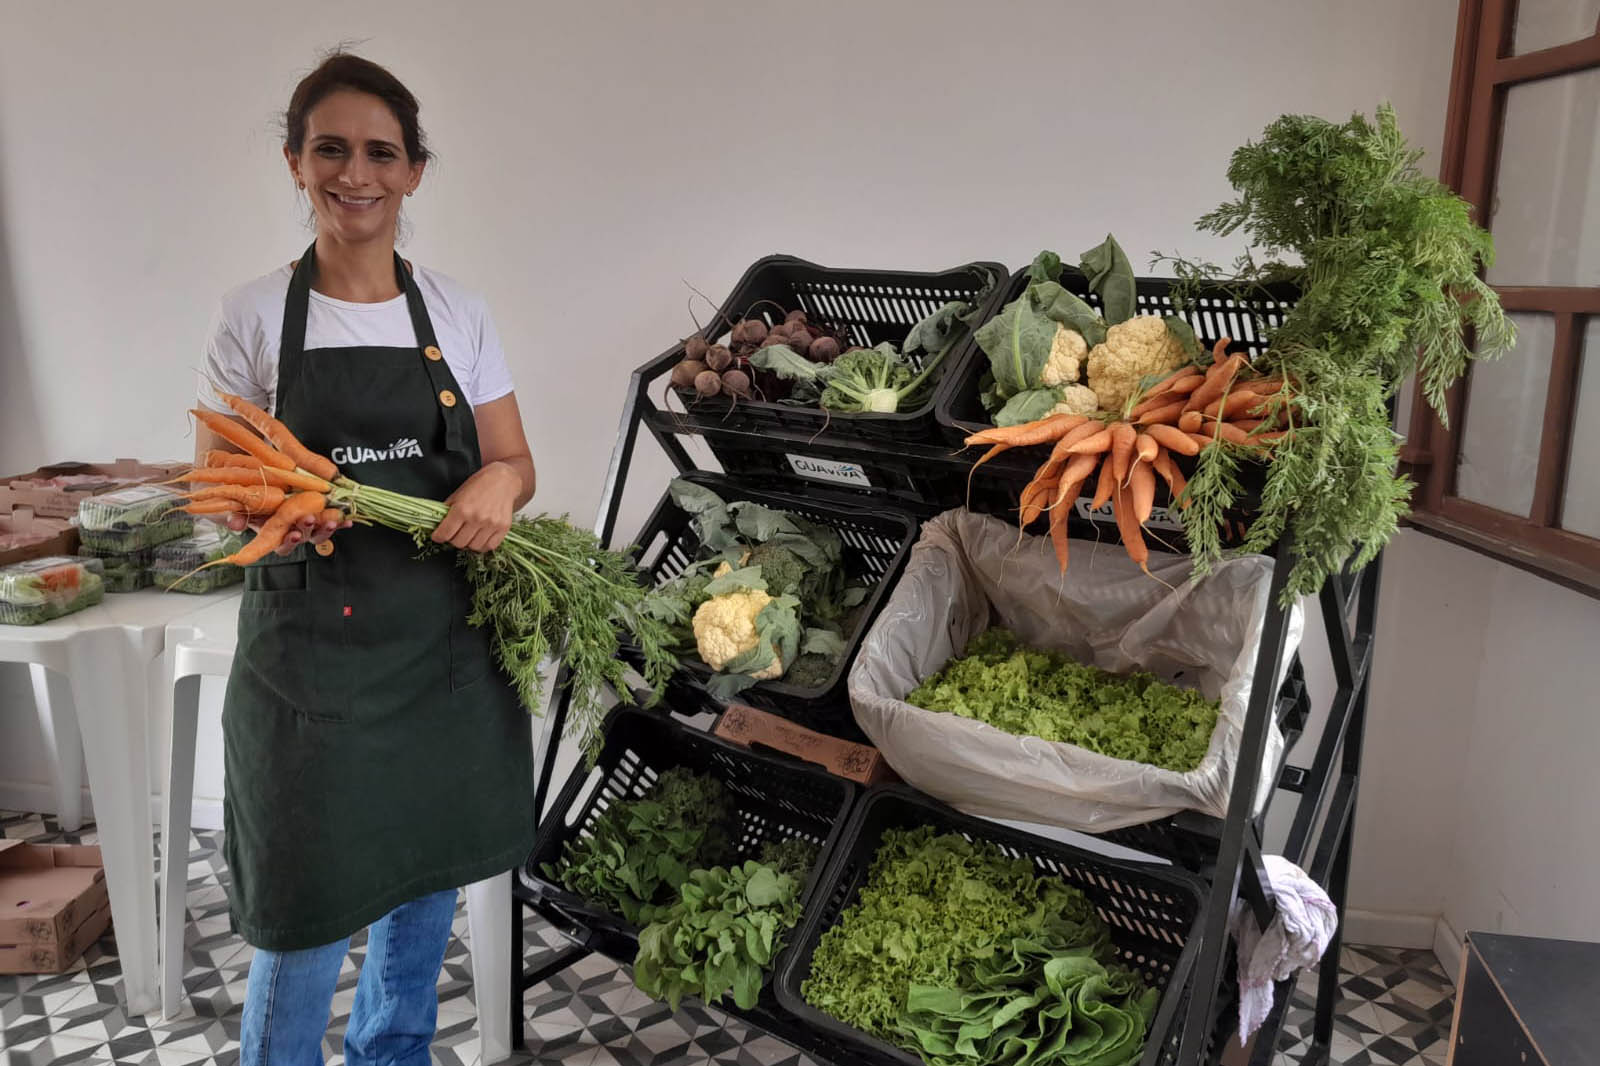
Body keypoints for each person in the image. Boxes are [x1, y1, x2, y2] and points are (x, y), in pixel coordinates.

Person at [194, 51, 536, 1066]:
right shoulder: (254, 313)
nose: (357, 173)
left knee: (422, 885)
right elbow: (218, 486)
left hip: (438, 656)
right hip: (309, 668)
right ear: (296, 163)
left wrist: (499, 484)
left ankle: (393, 1056)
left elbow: (515, 461)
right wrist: (275, 512)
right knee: (300, 910)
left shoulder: (459, 313)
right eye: (331, 149)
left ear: (414, 172)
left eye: (382, 153)